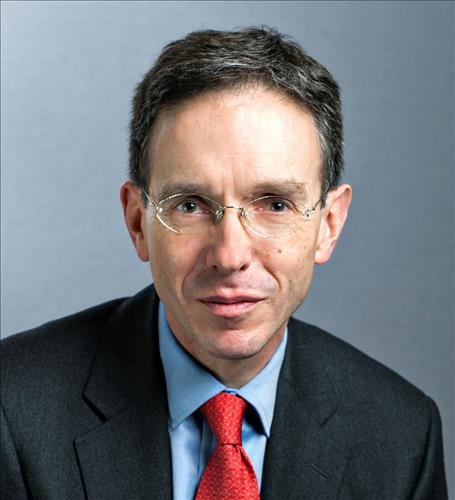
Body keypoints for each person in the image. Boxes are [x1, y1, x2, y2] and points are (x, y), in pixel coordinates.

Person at [1, 27, 448, 500]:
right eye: (190, 205)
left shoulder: (401, 437)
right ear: (137, 222)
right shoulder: (12, 409)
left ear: (329, 224)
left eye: (275, 204)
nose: (231, 256)